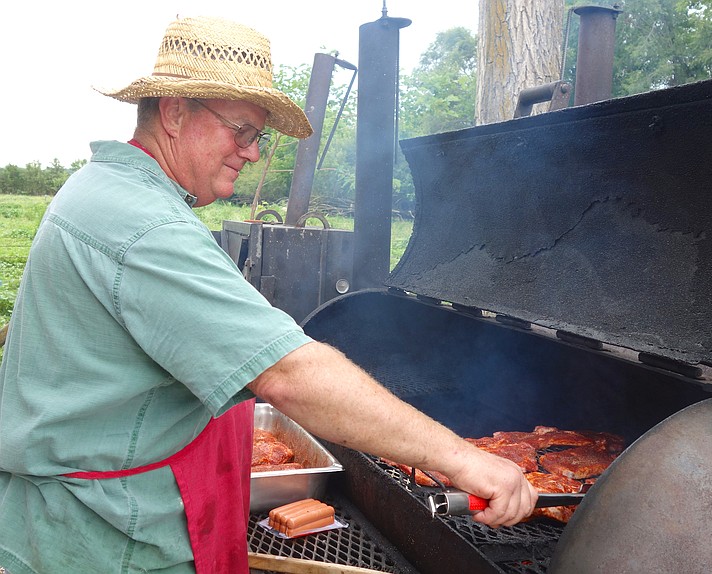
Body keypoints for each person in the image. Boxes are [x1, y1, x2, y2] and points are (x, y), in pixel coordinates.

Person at [0, 15, 537, 574]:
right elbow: (289, 373)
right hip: (103, 540)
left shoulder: (103, 188)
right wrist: (460, 457)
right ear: (175, 111)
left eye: (258, 136)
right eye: (242, 131)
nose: (252, 153)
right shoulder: (144, 226)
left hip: (73, 519)